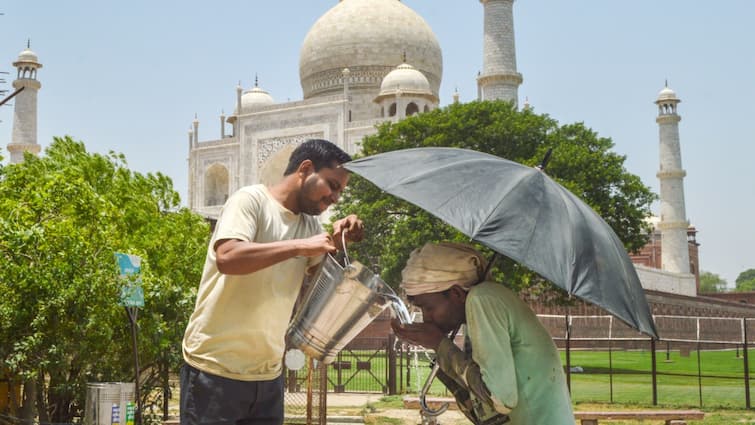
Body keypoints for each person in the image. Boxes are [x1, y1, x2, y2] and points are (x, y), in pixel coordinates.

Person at [181, 139, 364, 425]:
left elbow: (316, 289)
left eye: (340, 190)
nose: (335, 198)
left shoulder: (309, 225)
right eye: (332, 185)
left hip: (267, 376)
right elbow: (228, 257)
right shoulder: (251, 201)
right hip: (216, 370)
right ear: (306, 169)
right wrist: (300, 246)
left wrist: (338, 243)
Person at [391, 242, 573, 425]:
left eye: (428, 308)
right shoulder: (484, 301)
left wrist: (440, 344)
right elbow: (482, 398)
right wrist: (438, 346)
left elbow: (500, 399)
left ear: (456, 293)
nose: (426, 318)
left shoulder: (482, 299)